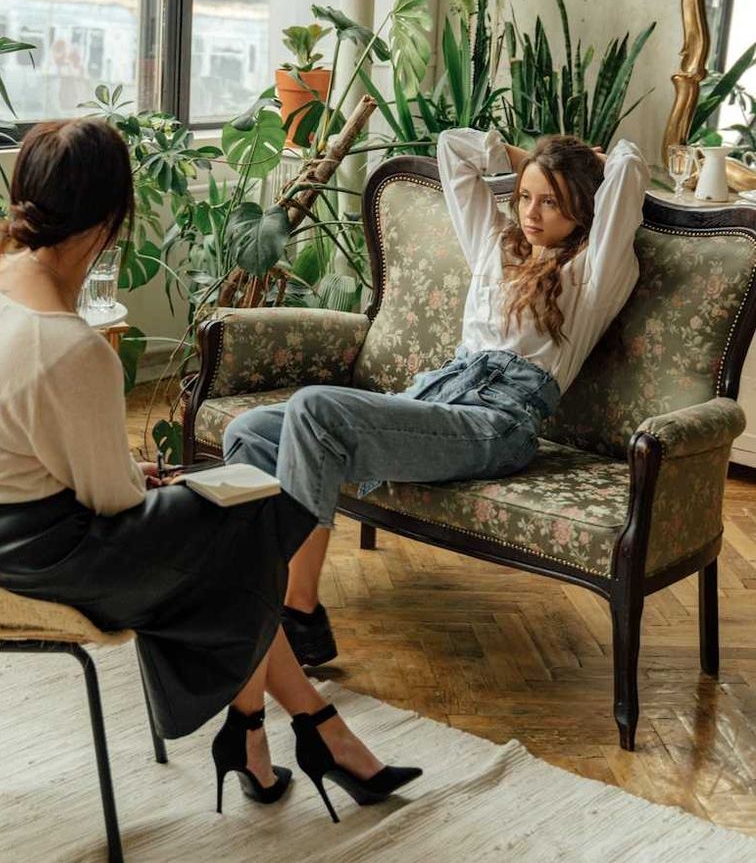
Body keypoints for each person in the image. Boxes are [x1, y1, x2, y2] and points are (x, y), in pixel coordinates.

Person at [0, 117, 420, 824]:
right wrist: (161, 484)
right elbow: (114, 500)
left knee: (237, 529)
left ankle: (290, 735)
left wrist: (156, 489)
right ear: (110, 221)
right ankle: (301, 735)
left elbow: (37, 450)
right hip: (33, 554)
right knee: (248, 529)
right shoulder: (66, 345)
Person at [225, 127, 651, 667]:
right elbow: (454, 148)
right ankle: (252, 593)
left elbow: (630, 174)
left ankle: (299, 614)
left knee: (314, 409)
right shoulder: (496, 246)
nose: (532, 213)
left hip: (497, 423)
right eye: (525, 196)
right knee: (250, 432)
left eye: (551, 202)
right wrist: (534, 162)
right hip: (437, 398)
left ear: (584, 209)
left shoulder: (595, 271)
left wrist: (581, 163)